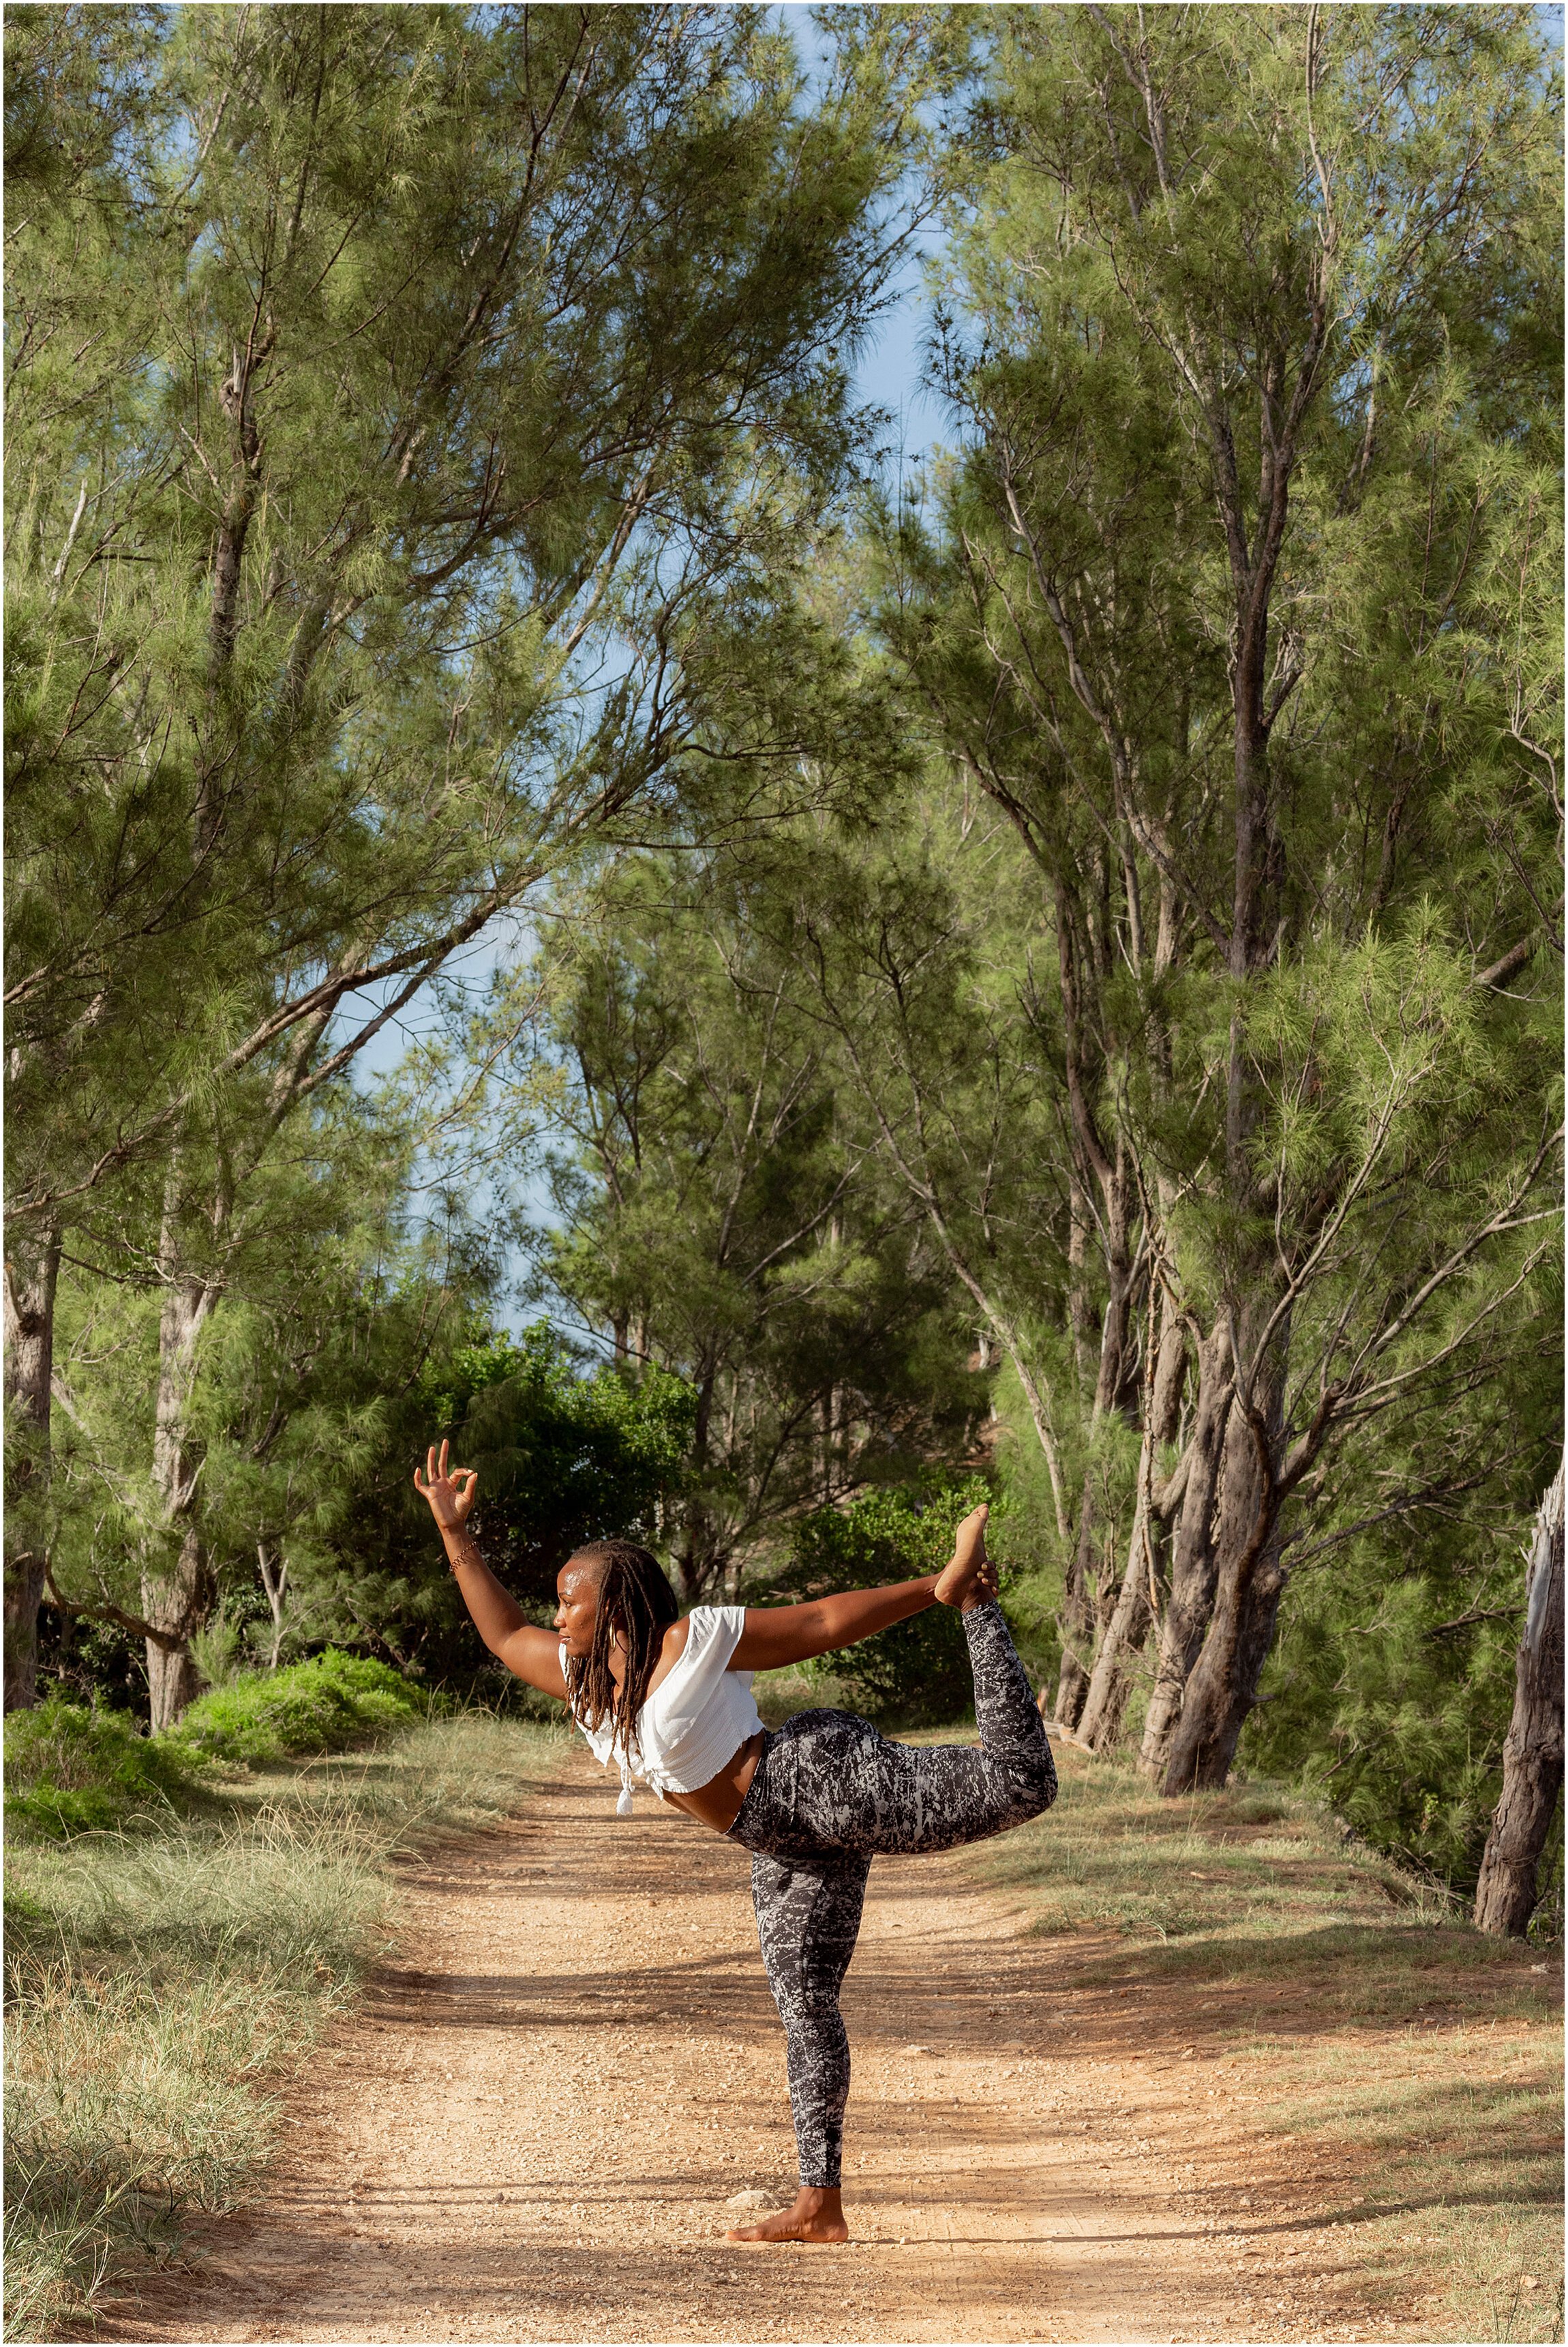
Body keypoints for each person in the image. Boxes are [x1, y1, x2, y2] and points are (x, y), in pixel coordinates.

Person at [413, 1439, 1057, 2245]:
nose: (557, 1615)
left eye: (569, 1603)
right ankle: (819, 2205)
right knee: (806, 2009)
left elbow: (821, 1621)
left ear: (614, 1606)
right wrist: (453, 1532)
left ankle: (976, 1609)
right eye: (556, 1602)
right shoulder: (585, 1686)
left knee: (1020, 1785)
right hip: (780, 1845)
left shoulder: (693, 1639)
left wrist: (935, 1590)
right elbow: (504, 1636)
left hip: (818, 1781)